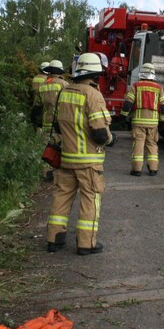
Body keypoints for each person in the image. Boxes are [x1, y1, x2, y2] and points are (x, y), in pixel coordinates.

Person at [46, 52, 115, 255]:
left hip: (66, 160)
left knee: (62, 197)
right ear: (95, 75)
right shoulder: (93, 95)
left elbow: (58, 126)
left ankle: (54, 239)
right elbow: (100, 133)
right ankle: (86, 243)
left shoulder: (65, 92)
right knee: (90, 200)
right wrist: (112, 140)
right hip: (88, 163)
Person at [120, 62, 164, 176]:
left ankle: (136, 170)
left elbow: (128, 104)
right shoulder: (159, 88)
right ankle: (153, 169)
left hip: (138, 122)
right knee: (152, 145)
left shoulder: (135, 86)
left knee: (138, 145)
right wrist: (162, 121)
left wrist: (123, 116)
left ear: (141, 74)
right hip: (153, 123)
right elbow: (163, 107)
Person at [38, 59, 68, 181]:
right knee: (61, 147)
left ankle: (46, 174)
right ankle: (60, 173)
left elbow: (37, 106)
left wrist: (37, 123)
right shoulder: (64, 85)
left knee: (46, 148)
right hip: (60, 123)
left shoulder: (43, 86)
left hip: (46, 122)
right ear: (60, 72)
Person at [31, 62, 50, 128]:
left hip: (35, 103)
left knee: (36, 123)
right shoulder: (47, 79)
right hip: (43, 103)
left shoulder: (35, 78)